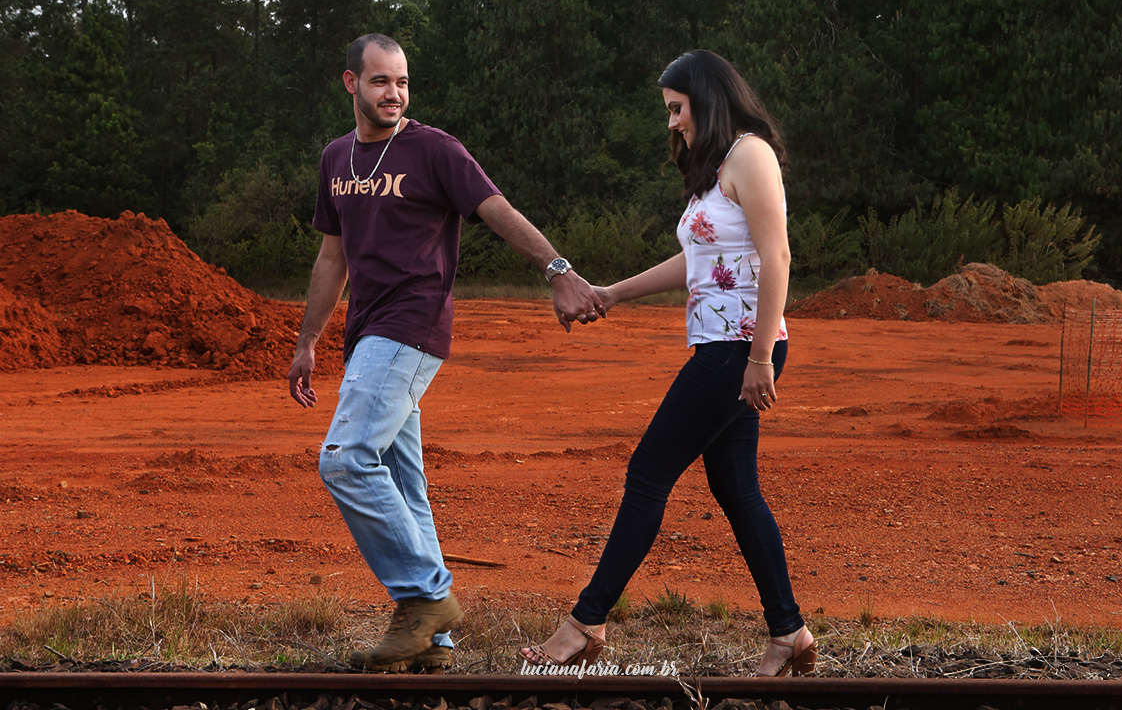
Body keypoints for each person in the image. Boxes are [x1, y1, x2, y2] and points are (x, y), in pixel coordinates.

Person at [288, 33, 605, 673]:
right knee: (404, 484)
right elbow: (332, 257)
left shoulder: (433, 149)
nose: (394, 94)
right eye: (380, 82)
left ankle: (426, 600)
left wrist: (559, 270)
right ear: (351, 84)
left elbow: (497, 210)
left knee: (346, 460)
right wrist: (308, 340)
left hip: (413, 323)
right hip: (366, 332)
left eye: (402, 82)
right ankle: (434, 642)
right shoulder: (335, 159)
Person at [520, 50, 815, 677]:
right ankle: (787, 632)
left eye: (677, 109)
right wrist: (612, 293)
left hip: (740, 348)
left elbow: (779, 256)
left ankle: (586, 622)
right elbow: (697, 264)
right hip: (725, 347)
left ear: (707, 100)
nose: (673, 123)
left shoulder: (750, 155)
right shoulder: (715, 171)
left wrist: (761, 356)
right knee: (735, 489)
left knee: (649, 470)